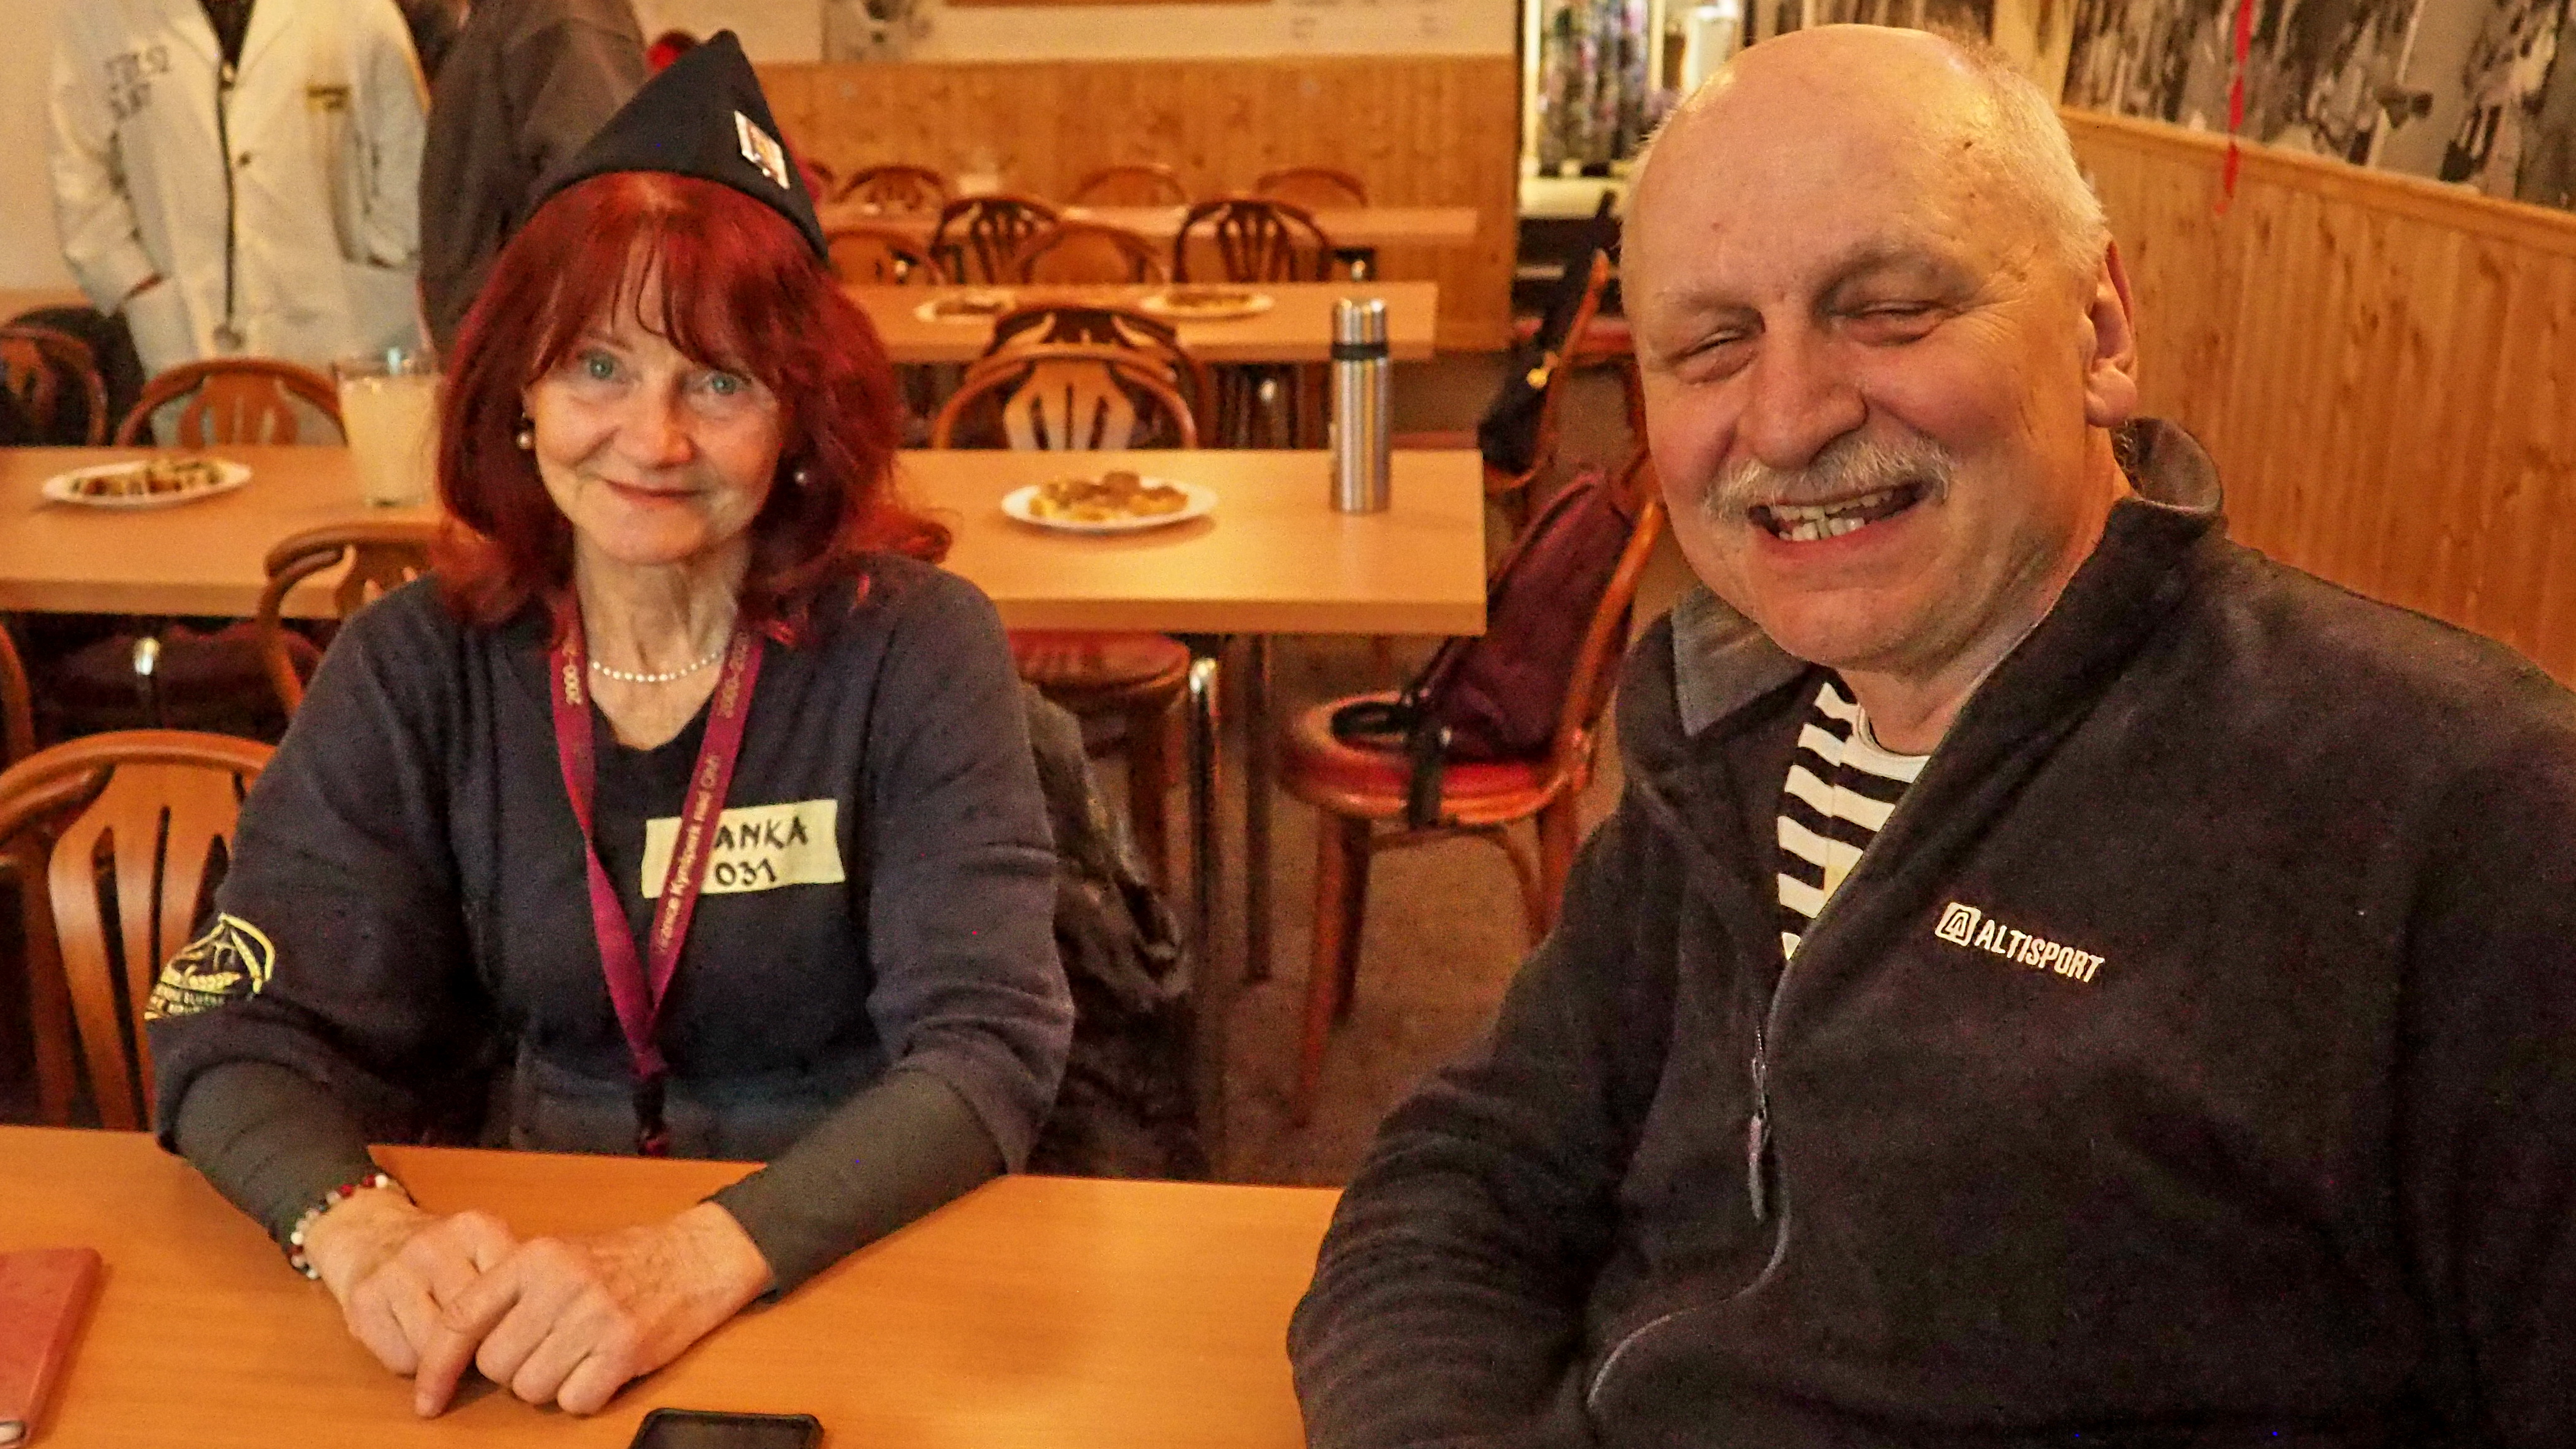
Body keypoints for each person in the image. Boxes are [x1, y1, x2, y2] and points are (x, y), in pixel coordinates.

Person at [1290, 26, 2576, 1447]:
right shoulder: (1730, 732)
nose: (1788, 417)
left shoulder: (2470, 821)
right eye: (1712, 343)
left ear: (2099, 334)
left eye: (1890, 309)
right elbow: (1463, 1175)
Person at [144, 35, 1072, 1419]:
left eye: (720, 381)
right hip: (520, 1275)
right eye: (596, 365)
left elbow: (988, 1043)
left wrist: (693, 1255)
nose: (653, 438)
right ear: (516, 395)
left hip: (858, 1250)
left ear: (800, 421)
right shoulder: (417, 663)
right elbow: (222, 1020)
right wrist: (357, 1225)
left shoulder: (915, 648)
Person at [48, 0, 427, 380]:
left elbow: (411, 156)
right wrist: (136, 286)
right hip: (186, 335)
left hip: (349, 330)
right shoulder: (102, 16)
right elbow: (79, 177)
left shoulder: (357, 12)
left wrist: (386, 257)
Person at [416, 0, 647, 352]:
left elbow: (600, 212)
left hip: (530, 358)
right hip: (510, 355)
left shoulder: (560, 16)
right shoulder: (517, 18)